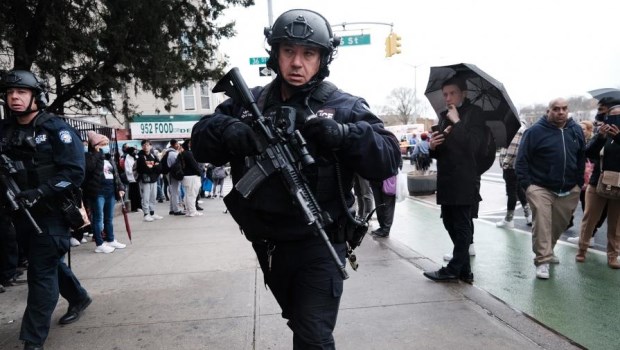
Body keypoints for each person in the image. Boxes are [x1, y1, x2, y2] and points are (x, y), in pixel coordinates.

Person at [191, 8, 400, 349]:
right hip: (269, 246)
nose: (297, 63)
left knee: (313, 337)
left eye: (308, 54)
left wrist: (345, 134)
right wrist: (227, 130)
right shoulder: (249, 104)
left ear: (323, 58)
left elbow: (388, 158)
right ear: (275, 54)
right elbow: (200, 141)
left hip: (320, 242)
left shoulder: (343, 105)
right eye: (288, 51)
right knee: (300, 321)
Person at [0, 70, 91, 350]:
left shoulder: (56, 129)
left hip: (51, 212)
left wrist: (40, 192)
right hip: (18, 213)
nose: (15, 97)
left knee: (40, 275)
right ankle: (78, 297)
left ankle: (33, 340)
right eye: (11, 93)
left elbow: (74, 172)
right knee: (47, 262)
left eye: (22, 92)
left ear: (36, 97)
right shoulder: (5, 130)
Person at [422, 76, 485, 284]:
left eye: (452, 93)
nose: (448, 98)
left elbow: (474, 146)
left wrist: (458, 121)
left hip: (465, 177)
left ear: (463, 94)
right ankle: (464, 269)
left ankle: (453, 268)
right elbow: (444, 151)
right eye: (445, 94)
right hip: (447, 177)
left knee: (461, 223)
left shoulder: (474, 114)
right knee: (449, 221)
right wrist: (433, 147)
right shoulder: (443, 116)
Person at [516, 97, 585, 280]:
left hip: (569, 188)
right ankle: (543, 260)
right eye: (556, 109)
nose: (561, 112)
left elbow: (580, 158)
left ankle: (548, 249)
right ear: (549, 111)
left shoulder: (576, 130)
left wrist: (578, 183)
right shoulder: (534, 132)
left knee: (559, 224)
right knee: (543, 222)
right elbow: (521, 160)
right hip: (540, 186)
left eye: (564, 108)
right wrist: (528, 186)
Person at [575, 105, 620, 268]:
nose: (616, 120)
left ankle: (613, 255)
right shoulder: (602, 134)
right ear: (607, 118)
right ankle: (582, 250)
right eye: (613, 116)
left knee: (616, 225)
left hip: (619, 186)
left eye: (619, 117)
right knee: (589, 219)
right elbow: (589, 153)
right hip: (597, 183)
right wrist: (601, 137)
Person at [82, 131, 127, 253]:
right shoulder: (89, 157)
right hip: (97, 192)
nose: (107, 146)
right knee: (98, 218)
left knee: (108, 218)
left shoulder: (109, 158)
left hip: (110, 191)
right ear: (96, 145)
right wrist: (97, 153)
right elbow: (89, 169)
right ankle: (99, 243)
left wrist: (120, 188)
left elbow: (115, 174)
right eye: (104, 144)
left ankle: (111, 239)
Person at [496, 124, 531, 228]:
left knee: (511, 192)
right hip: (516, 165)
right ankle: (528, 215)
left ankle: (509, 219)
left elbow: (513, 148)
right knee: (519, 190)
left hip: (511, 166)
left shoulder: (515, 127)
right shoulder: (520, 127)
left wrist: (506, 164)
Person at [370, 158, 402, 238]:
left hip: (388, 178)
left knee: (388, 205)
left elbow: (399, 161)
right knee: (379, 205)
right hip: (376, 179)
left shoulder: (393, 145)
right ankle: (382, 227)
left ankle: (386, 229)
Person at [136, 140, 163, 222]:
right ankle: (146, 214)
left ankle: (152, 213)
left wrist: (152, 167)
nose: (146, 146)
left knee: (153, 197)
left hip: (154, 179)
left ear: (151, 146)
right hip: (145, 180)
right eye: (144, 145)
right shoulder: (140, 156)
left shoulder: (153, 156)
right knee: (145, 197)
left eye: (147, 145)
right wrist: (154, 166)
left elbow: (160, 167)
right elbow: (144, 168)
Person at [179, 139, 203, 217]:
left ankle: (189, 211)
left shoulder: (182, 153)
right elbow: (195, 166)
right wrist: (200, 173)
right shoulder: (189, 154)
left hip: (186, 177)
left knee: (187, 195)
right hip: (192, 177)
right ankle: (192, 211)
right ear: (189, 144)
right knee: (192, 195)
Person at [165, 139, 184, 215]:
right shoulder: (173, 154)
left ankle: (172, 209)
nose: (178, 145)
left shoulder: (168, 152)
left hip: (170, 174)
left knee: (173, 192)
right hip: (173, 175)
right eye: (177, 144)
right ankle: (176, 210)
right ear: (174, 144)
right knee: (175, 192)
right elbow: (176, 166)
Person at [123, 146, 142, 212]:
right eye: (134, 151)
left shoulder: (135, 157)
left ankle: (139, 206)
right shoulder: (127, 159)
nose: (135, 152)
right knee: (134, 193)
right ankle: (135, 207)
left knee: (138, 192)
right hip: (132, 178)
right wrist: (134, 170)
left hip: (137, 177)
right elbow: (128, 170)